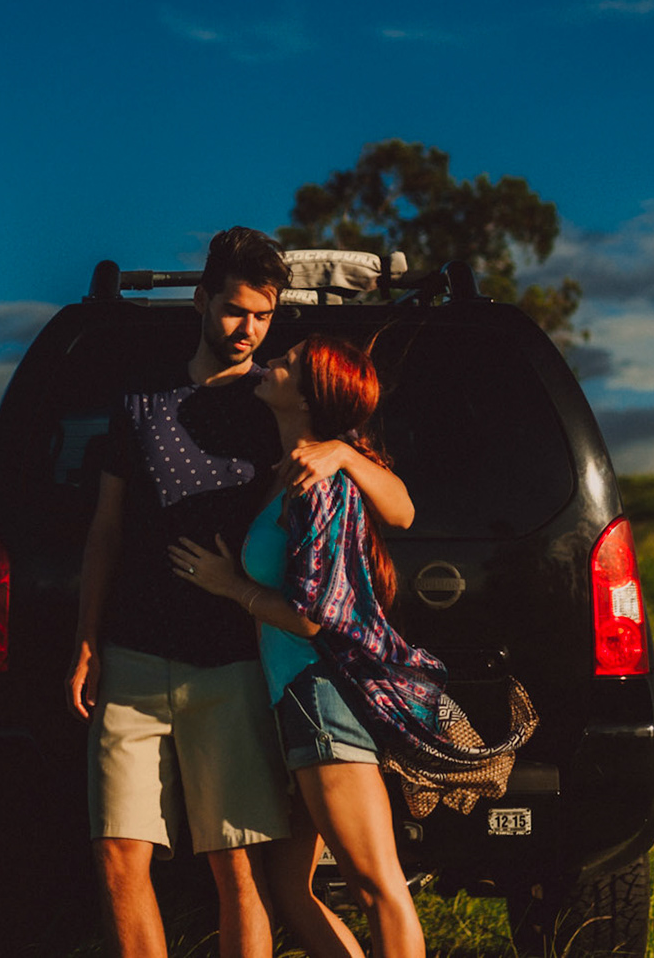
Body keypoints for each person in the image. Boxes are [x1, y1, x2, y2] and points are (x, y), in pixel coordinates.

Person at [65, 228, 415, 958]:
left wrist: (345, 449)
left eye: (262, 316)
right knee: (117, 856)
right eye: (233, 310)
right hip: (132, 659)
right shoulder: (142, 405)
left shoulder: (282, 408)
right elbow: (105, 530)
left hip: (236, 667)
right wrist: (87, 638)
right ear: (201, 299)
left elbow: (397, 505)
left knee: (242, 868)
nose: (248, 330)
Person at [169, 334, 533, 958]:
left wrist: (231, 586)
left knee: (378, 885)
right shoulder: (295, 470)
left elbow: (316, 619)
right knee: (291, 886)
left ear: (309, 397)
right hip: (299, 699)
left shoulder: (320, 482)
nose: (270, 361)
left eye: (287, 363)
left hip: (322, 696)